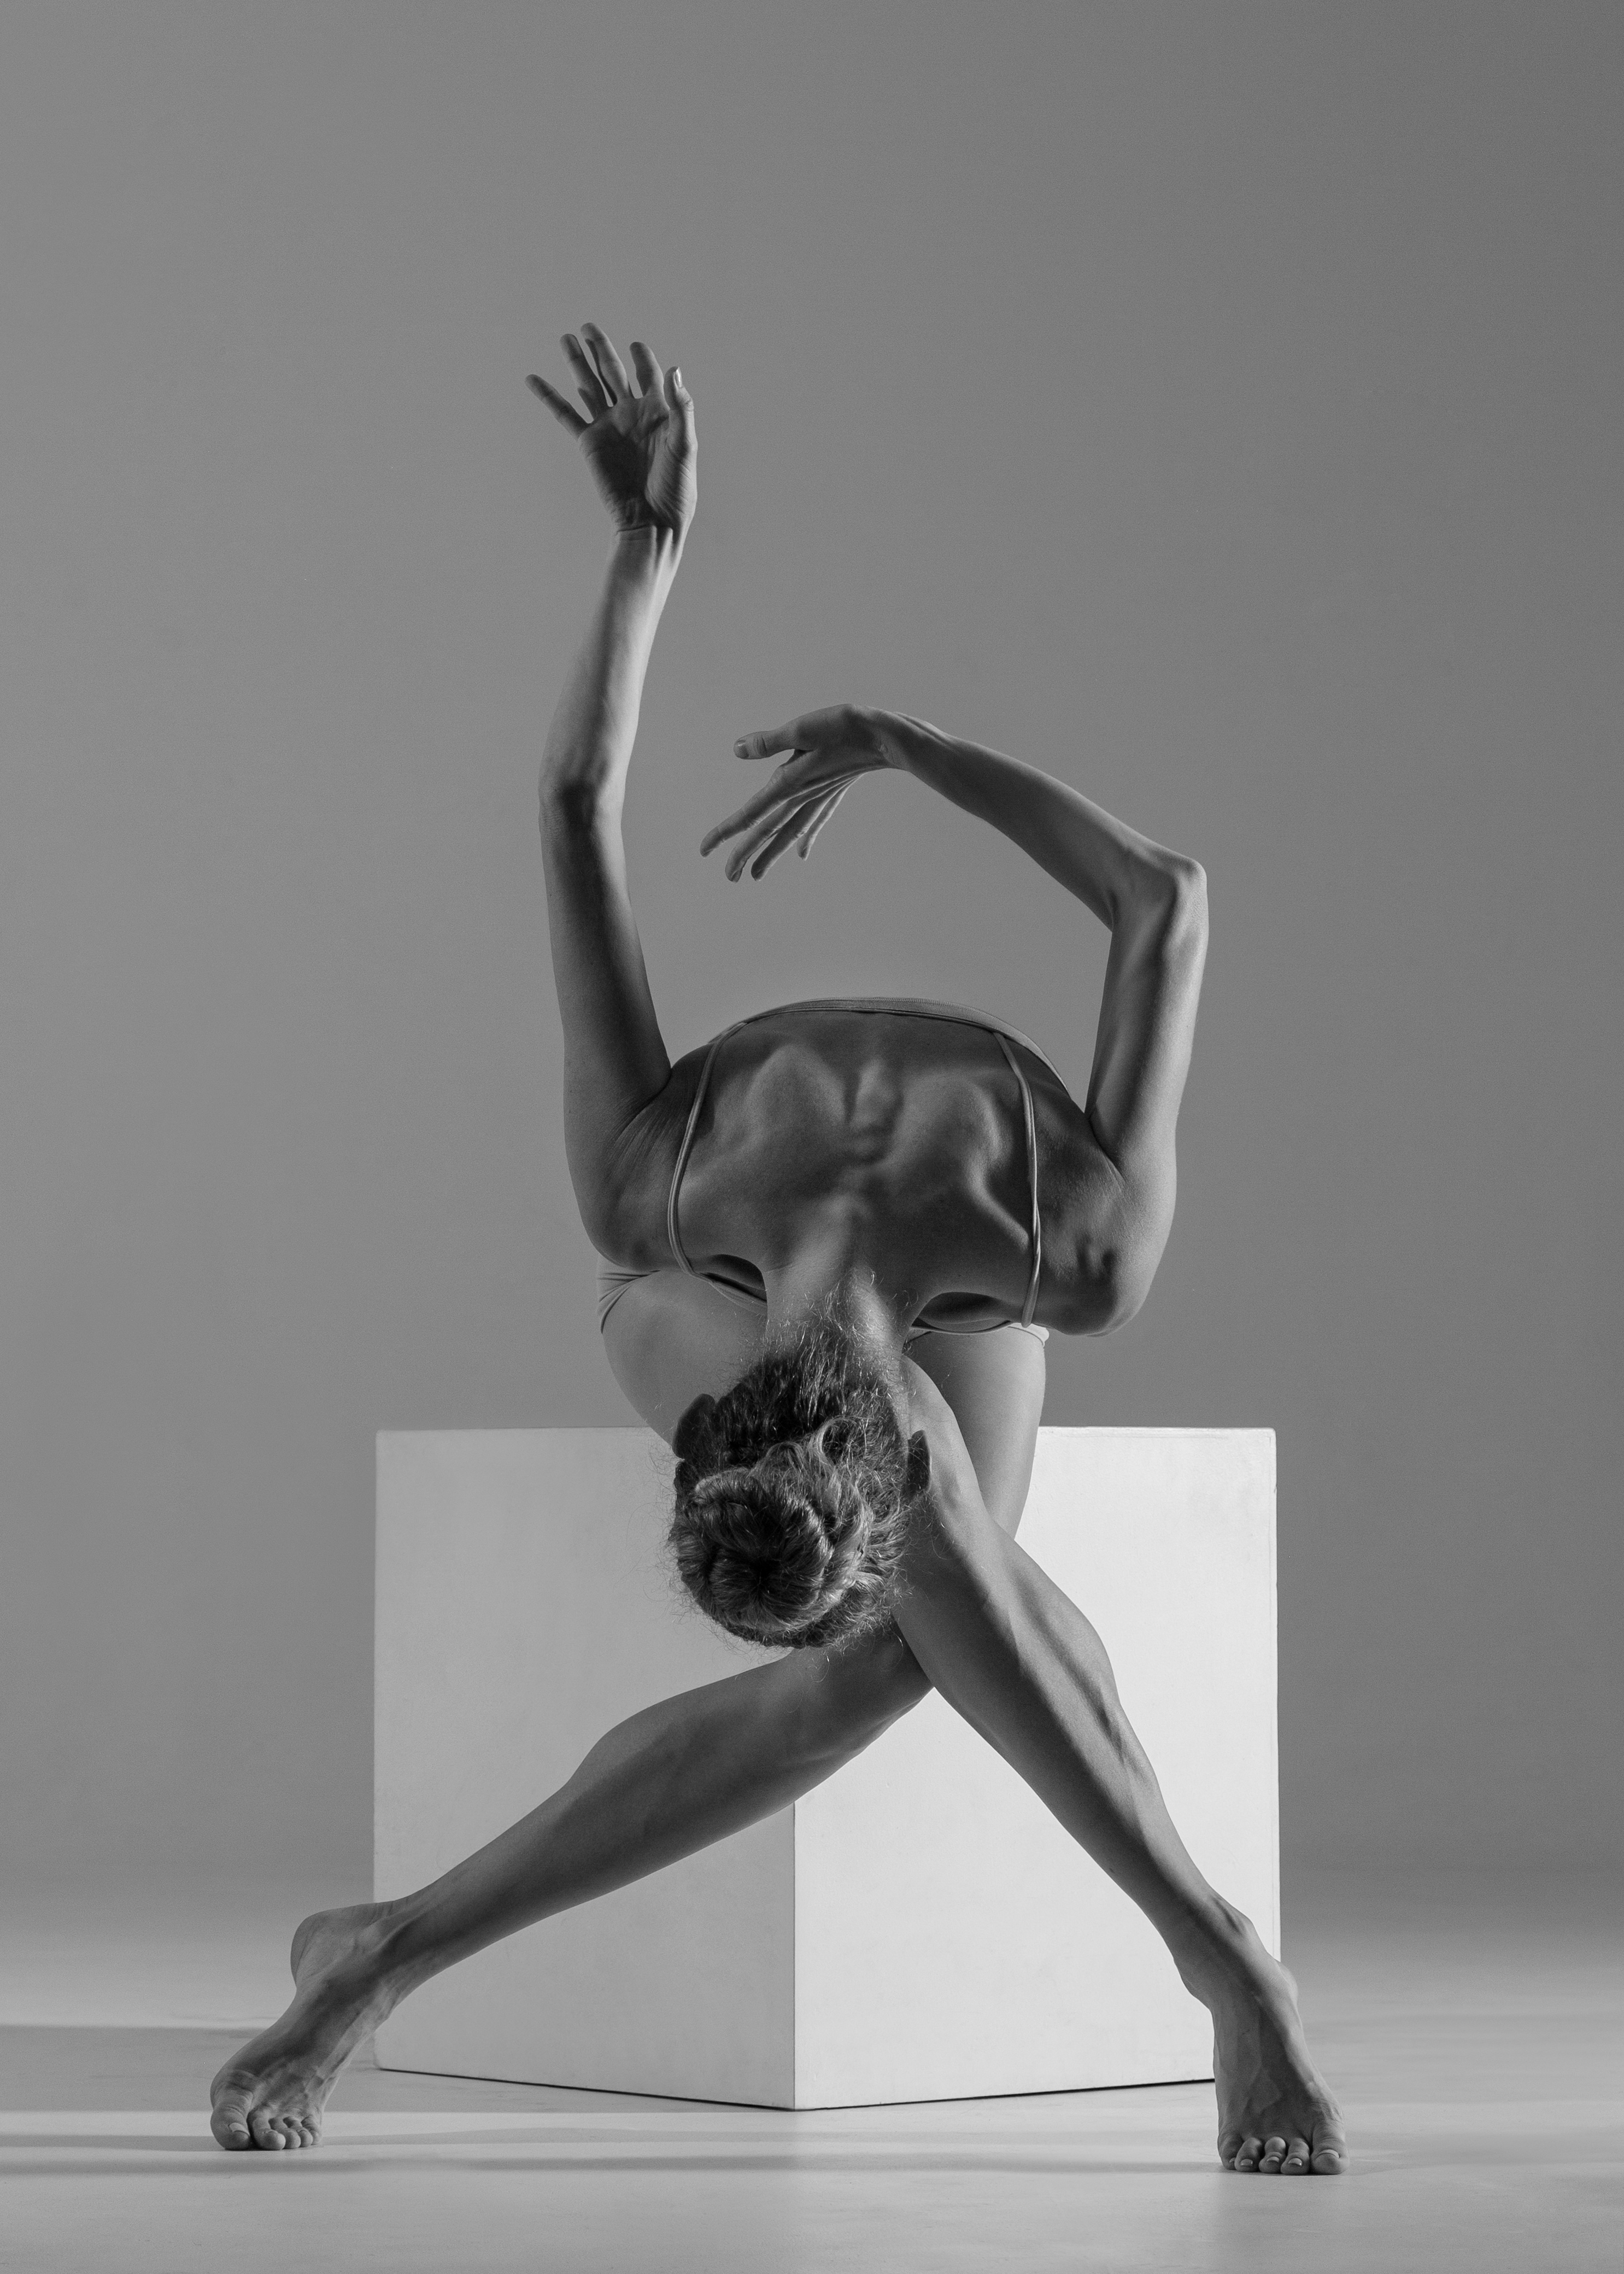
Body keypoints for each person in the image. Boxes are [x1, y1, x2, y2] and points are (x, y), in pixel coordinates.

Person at [209, 324, 1346, 2176]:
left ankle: (387, 1948)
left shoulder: (702, 1184)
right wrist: (887, 732)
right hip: (717, 1300)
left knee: (896, 1651)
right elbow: (1162, 896)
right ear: (723, 1432)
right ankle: (1223, 1964)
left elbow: (1159, 902)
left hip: (833, 1287)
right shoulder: (1004, 1242)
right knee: (923, 1588)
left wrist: (650, 556)